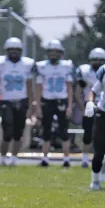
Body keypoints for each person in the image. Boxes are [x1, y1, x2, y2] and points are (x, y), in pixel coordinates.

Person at [0, 37, 35, 166]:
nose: (14, 51)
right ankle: (3, 158)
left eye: (16, 49)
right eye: (11, 49)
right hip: (5, 101)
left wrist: (32, 106)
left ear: (20, 50)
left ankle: (14, 159)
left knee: (18, 133)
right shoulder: (0, 63)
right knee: (7, 132)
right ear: (7, 50)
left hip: (22, 100)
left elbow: (30, 88)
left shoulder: (27, 64)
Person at [34, 39, 74, 167]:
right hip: (47, 100)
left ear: (60, 53)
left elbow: (69, 88)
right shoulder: (42, 66)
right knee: (46, 130)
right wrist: (38, 106)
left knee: (64, 130)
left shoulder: (66, 66)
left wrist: (69, 106)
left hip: (61, 99)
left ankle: (66, 159)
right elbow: (39, 88)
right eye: (51, 52)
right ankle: (45, 159)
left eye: (56, 52)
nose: (53, 54)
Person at [75, 48, 105, 168]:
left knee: (101, 136)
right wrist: (83, 107)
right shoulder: (85, 72)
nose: (98, 62)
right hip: (91, 105)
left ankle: (103, 157)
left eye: (101, 60)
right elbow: (78, 91)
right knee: (88, 134)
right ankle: (85, 158)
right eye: (95, 59)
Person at [84, 63, 105, 190]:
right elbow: (93, 91)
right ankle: (95, 181)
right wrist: (89, 102)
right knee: (98, 150)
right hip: (104, 113)